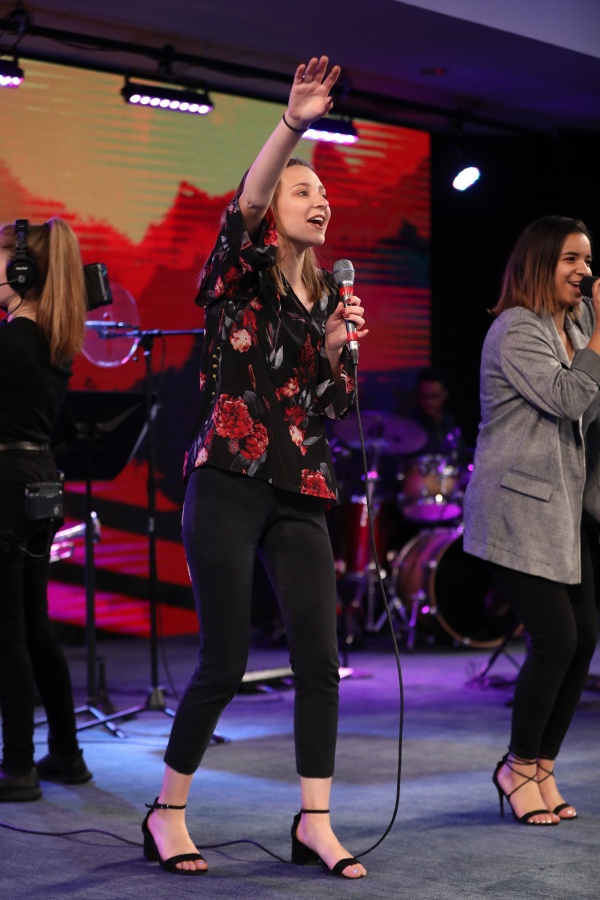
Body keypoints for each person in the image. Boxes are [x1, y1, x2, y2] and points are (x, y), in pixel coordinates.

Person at [142, 56, 368, 878]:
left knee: (320, 660)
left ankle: (315, 822)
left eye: (325, 192)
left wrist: (337, 350)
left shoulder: (329, 300)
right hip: (229, 481)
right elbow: (244, 204)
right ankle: (167, 812)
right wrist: (293, 124)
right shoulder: (238, 273)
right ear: (275, 211)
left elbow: (334, 407)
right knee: (225, 661)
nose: (321, 200)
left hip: (301, 487)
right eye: (304, 191)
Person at [463, 215, 600, 825]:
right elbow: (569, 397)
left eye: (588, 260)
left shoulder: (576, 325)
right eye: (572, 259)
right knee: (556, 639)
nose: (585, 272)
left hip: (567, 509)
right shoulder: (516, 329)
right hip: (516, 506)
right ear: (541, 264)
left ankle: (542, 766)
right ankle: (517, 767)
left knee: (584, 639)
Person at [0, 218, 93, 801]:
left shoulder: (13, 340)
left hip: (7, 484)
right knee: (34, 625)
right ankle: (66, 753)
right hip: (38, 481)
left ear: (20, 271)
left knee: (8, 632)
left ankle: (17, 767)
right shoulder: (54, 340)